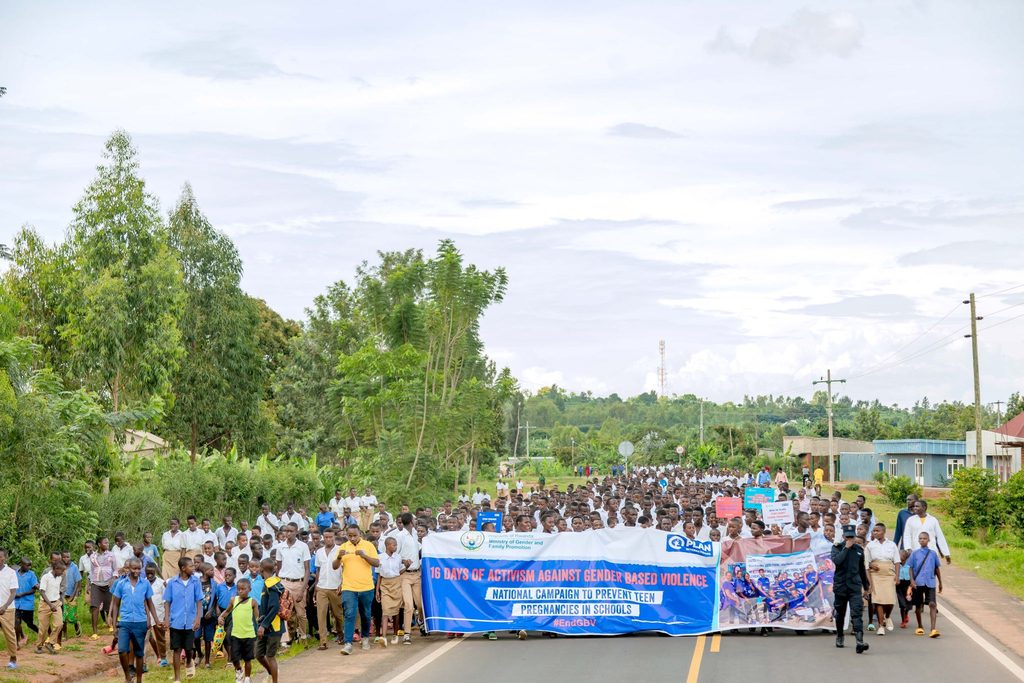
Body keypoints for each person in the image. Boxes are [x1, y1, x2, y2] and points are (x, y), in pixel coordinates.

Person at [335, 525, 380, 655]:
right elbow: (335, 566)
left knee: (366, 614)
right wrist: (338, 557)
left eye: (355, 535)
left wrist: (365, 556)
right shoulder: (343, 547)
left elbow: (377, 563)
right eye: (350, 536)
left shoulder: (368, 546)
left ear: (359, 533)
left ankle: (365, 638)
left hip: (366, 587)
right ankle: (348, 643)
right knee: (349, 614)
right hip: (349, 587)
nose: (352, 538)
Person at [111, 559, 157, 683]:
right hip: (125, 622)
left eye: (138, 569)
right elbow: (116, 604)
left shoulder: (145, 584)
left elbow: (150, 603)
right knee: (122, 651)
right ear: (129, 569)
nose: (136, 571)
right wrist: (114, 624)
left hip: (140, 622)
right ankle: (127, 676)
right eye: (134, 568)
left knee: (139, 653)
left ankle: (139, 679)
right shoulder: (121, 584)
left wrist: (155, 620)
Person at [164, 556, 203, 683]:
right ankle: (177, 678)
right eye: (191, 566)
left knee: (189, 649)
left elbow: (199, 601)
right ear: (183, 568)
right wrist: (167, 618)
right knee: (176, 649)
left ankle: (188, 661)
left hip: (190, 621)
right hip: (176, 621)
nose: (193, 568)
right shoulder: (172, 583)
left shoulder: (196, 581)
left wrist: (198, 618)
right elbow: (167, 602)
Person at [831, 524, 869, 654]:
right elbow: (837, 561)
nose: (849, 539)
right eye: (847, 537)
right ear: (843, 537)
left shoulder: (859, 550)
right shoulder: (837, 547)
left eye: (851, 537)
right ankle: (840, 635)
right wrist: (846, 548)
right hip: (841, 586)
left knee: (856, 613)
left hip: (854, 587)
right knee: (840, 613)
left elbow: (862, 570)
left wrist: (866, 587)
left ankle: (859, 641)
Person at [273, 523, 310, 641]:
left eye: (291, 531)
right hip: (285, 583)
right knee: (284, 612)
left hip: (299, 582)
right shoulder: (280, 547)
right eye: (286, 531)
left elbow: (307, 569)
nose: (288, 533)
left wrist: (303, 588)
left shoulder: (303, 546)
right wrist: (278, 584)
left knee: (300, 613)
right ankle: (286, 640)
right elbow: (278, 568)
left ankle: (303, 635)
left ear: (296, 532)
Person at [864, 522, 900, 636]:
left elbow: (897, 561)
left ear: (883, 532)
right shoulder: (870, 546)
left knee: (890, 600)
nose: (875, 533)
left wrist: (897, 576)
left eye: (877, 531)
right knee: (878, 600)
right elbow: (866, 563)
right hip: (875, 574)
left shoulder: (892, 544)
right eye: (873, 531)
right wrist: (869, 580)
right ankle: (880, 626)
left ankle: (887, 617)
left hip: (889, 573)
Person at [221, 577, 259, 683]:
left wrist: (261, 628)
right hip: (236, 634)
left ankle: (247, 677)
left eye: (243, 589)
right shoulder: (234, 600)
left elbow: (257, 618)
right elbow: (227, 611)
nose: (240, 591)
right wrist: (221, 617)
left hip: (249, 634)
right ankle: (238, 670)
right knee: (234, 658)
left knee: (248, 659)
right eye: (239, 589)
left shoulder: (253, 602)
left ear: (249, 589)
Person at [906, 531, 943, 638]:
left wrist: (940, 582)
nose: (922, 540)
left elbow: (936, 568)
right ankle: (920, 626)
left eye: (924, 538)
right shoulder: (915, 553)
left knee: (932, 604)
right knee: (918, 606)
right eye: (920, 538)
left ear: (928, 540)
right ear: (918, 540)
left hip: (930, 582)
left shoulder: (933, 554)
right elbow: (911, 567)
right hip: (918, 583)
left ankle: (933, 628)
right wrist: (912, 581)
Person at [313, 528, 344, 650]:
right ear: (323, 538)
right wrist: (316, 587)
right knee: (320, 614)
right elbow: (318, 570)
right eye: (326, 537)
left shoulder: (339, 551)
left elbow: (344, 569)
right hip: (322, 587)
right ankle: (323, 641)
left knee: (338, 614)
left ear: (334, 537)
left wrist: (342, 583)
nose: (328, 539)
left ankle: (340, 633)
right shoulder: (319, 552)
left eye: (330, 537)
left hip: (335, 587)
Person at [256, 558, 285, 683]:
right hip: (265, 625)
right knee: (258, 654)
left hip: (273, 627)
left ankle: (274, 680)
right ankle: (271, 673)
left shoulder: (272, 585)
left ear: (261, 570)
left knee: (270, 656)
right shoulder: (267, 583)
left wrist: (264, 625)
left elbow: (274, 607)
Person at [901, 500, 951, 565]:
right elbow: (907, 535)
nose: (914, 508)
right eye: (914, 506)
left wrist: (946, 554)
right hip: (916, 550)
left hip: (931, 551)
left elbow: (940, 536)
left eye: (917, 506)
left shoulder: (933, 520)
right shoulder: (910, 520)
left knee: (930, 572)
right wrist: (908, 549)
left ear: (924, 507)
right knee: (917, 572)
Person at [376, 537, 404, 646]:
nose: (395, 547)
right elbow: (379, 575)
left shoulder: (398, 557)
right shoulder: (380, 558)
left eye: (396, 545)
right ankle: (383, 637)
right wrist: (377, 590)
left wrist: (406, 566)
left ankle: (395, 634)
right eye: (394, 545)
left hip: (396, 583)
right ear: (388, 545)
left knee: (396, 610)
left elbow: (399, 571)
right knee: (385, 610)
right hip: (385, 584)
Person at [90, 537, 117, 639]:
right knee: (95, 607)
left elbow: (115, 569)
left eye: (108, 542)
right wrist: (90, 583)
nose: (108, 544)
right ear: (99, 544)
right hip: (96, 584)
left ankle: (113, 627)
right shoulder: (93, 556)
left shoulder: (111, 555)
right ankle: (95, 632)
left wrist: (113, 579)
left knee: (110, 605)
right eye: (105, 542)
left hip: (108, 584)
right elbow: (92, 571)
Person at [36, 561, 65, 655]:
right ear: (56, 569)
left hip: (56, 603)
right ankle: (39, 646)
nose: (63, 572)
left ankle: (50, 642)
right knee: (43, 628)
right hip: (45, 604)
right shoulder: (46, 577)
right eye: (61, 570)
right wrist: (50, 604)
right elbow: (42, 592)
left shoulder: (59, 577)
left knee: (59, 624)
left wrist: (55, 603)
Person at [0, 550, 21, 670]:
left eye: (0, 557)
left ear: (5, 558)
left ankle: (13, 659)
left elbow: (13, 593)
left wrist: (4, 607)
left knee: (9, 634)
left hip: (7, 609)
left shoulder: (11, 573)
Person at [144, 564, 168, 667]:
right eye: (147, 574)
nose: (149, 576)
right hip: (145, 615)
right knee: (145, 638)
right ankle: (143, 662)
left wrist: (166, 616)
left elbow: (166, 600)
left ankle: (163, 658)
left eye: (151, 574)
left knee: (160, 637)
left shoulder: (161, 583)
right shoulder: (142, 582)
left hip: (159, 614)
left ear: (155, 573)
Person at [14, 558, 38, 648]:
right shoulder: (14, 574)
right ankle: (16, 644)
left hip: (27, 604)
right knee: (16, 623)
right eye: (27, 565)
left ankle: (41, 634)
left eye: (30, 565)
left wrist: (22, 594)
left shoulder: (32, 574)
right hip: (15, 603)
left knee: (30, 624)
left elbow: (34, 589)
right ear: (22, 564)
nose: (29, 567)